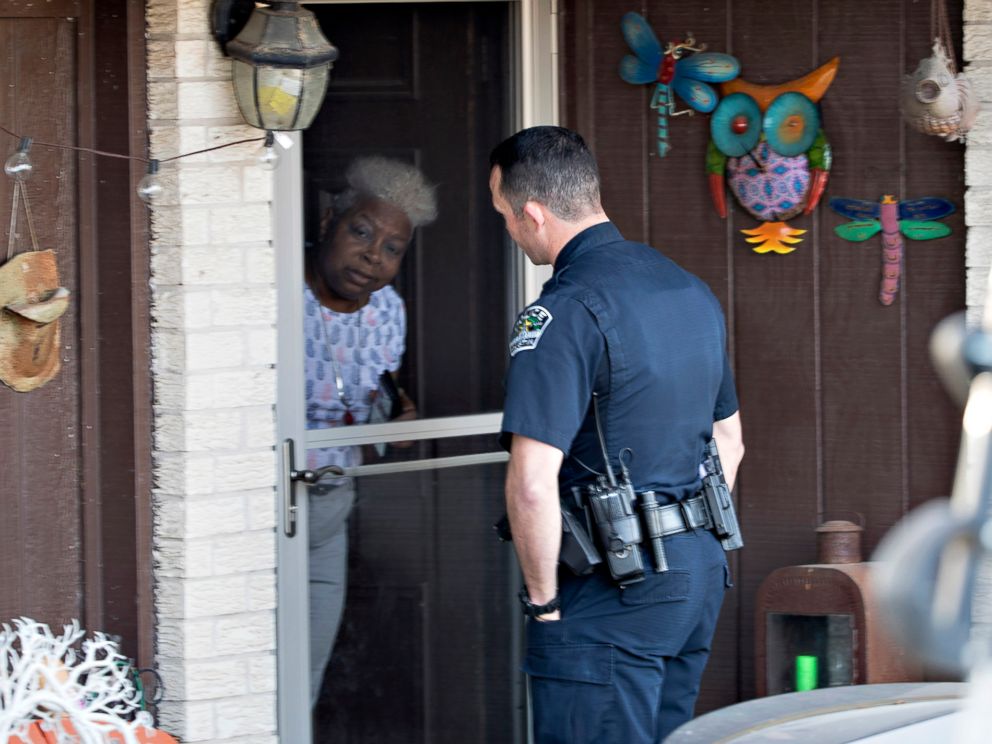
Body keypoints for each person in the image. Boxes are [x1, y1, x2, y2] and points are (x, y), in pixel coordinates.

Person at [489, 126, 744, 743]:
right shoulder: (687, 289)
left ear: (533, 213)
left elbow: (531, 484)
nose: (506, 229)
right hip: (696, 574)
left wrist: (545, 603)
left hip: (613, 591)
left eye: (503, 214)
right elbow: (730, 442)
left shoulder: (564, 312)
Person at [304, 156, 437, 706]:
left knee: (302, 682)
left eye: (391, 248)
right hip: (263, 512)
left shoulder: (388, 313)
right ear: (328, 221)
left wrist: (395, 424)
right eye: (361, 231)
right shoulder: (275, 297)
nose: (372, 256)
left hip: (331, 513)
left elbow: (374, 403)